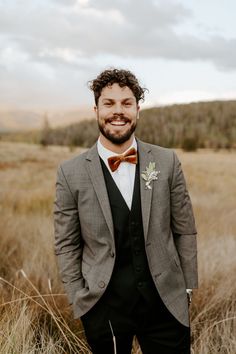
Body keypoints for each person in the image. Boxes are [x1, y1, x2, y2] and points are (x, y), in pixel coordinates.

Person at [54, 68, 198, 354]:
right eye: (109, 103)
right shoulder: (70, 173)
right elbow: (65, 243)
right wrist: (79, 298)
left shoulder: (167, 161)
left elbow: (184, 228)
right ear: (96, 109)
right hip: (102, 306)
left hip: (165, 304)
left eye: (126, 103)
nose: (117, 111)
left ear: (137, 110)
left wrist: (187, 288)